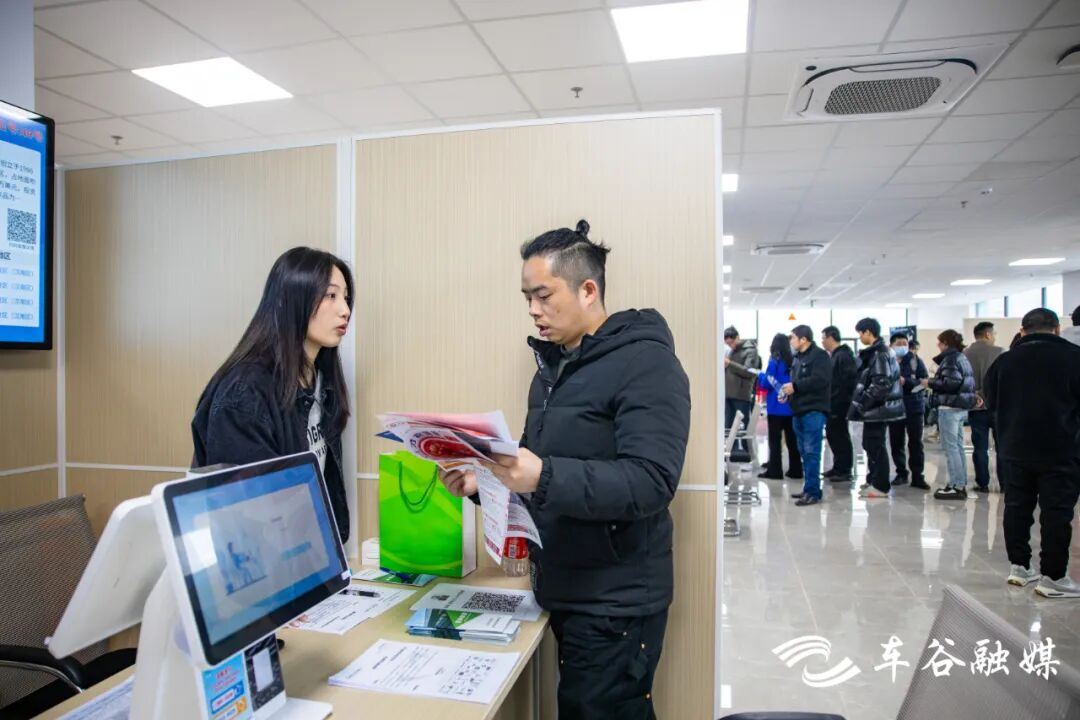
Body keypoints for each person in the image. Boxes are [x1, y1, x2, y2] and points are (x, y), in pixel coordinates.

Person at [439, 220, 691, 718]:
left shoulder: (646, 363)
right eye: (526, 298)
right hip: (568, 586)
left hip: (615, 602)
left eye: (543, 295)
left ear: (588, 290)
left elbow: (651, 481)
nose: (533, 310)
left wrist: (542, 475)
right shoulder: (552, 371)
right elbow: (537, 476)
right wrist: (480, 483)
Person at [191, 247, 353, 543]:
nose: (345, 310)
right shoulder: (244, 392)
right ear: (291, 299)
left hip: (305, 552)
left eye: (346, 297)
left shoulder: (321, 380)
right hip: (261, 559)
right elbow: (247, 515)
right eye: (331, 295)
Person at [985, 308, 1080, 598]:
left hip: (1014, 448)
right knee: (1056, 512)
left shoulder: (1004, 362)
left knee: (1016, 507)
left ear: (1022, 331)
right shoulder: (1074, 358)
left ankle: (1019, 567)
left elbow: (991, 402)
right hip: (1061, 449)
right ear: (1057, 329)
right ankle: (1053, 576)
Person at [848, 318, 904, 499]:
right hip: (878, 408)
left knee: (875, 445)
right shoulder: (879, 352)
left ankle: (880, 485)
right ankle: (873, 479)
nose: (860, 337)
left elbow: (881, 384)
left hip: (879, 408)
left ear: (868, 332)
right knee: (870, 443)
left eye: (860, 333)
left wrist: (863, 403)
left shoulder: (880, 353)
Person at [780, 325, 831, 507]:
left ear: (803, 339)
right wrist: (787, 393)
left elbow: (820, 380)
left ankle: (813, 492)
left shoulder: (819, 356)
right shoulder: (797, 358)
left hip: (813, 410)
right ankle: (809, 487)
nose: (791, 341)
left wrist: (795, 387)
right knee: (804, 451)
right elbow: (795, 382)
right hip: (798, 410)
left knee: (811, 452)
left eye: (793, 337)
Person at [929, 330, 977, 500]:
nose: (938, 345)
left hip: (949, 407)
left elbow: (951, 383)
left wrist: (929, 382)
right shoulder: (961, 357)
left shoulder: (950, 359)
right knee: (957, 447)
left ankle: (956, 485)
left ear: (946, 342)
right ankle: (959, 483)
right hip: (959, 407)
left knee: (951, 448)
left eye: (939, 342)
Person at [964, 321, 1004, 493]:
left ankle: (982, 483)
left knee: (980, 448)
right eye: (994, 334)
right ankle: (1005, 483)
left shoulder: (965, 354)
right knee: (1002, 447)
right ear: (988, 334)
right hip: (998, 406)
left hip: (975, 406)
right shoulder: (1001, 352)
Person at [756, 333, 802, 480]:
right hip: (790, 407)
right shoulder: (793, 360)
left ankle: (775, 471)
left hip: (776, 408)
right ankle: (796, 470)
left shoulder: (774, 361)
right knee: (792, 441)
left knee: (775, 441)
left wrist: (760, 376)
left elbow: (767, 383)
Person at [888, 332, 929, 489]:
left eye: (904, 343)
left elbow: (923, 381)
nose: (902, 346)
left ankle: (918, 476)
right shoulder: (887, 361)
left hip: (914, 407)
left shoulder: (915, 361)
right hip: (894, 408)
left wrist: (907, 381)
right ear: (891, 345)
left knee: (916, 443)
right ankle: (901, 473)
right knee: (896, 442)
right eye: (898, 344)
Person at [820, 326, 856, 481]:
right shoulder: (834, 356)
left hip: (840, 403)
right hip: (832, 402)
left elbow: (847, 382)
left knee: (840, 435)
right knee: (832, 435)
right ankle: (838, 466)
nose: (822, 341)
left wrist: (838, 399)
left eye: (823, 338)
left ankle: (844, 470)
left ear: (831, 337)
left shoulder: (843, 356)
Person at [724, 327, 760, 457]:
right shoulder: (732, 351)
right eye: (728, 344)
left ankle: (747, 452)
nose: (731, 346)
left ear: (737, 338)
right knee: (729, 426)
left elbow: (749, 372)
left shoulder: (750, 351)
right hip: (728, 394)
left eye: (732, 343)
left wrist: (730, 364)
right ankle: (732, 452)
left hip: (741, 394)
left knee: (743, 426)